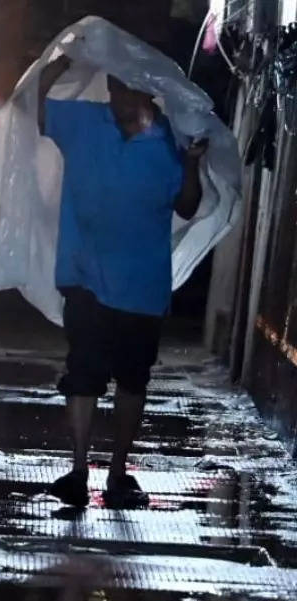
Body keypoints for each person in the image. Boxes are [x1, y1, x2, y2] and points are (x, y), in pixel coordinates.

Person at [36, 53, 205, 509]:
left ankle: (116, 473)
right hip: (85, 276)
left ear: (149, 91)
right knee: (84, 374)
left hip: (141, 287)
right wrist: (60, 62)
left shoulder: (169, 141)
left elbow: (187, 205)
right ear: (108, 87)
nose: (121, 98)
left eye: (130, 89)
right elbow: (41, 110)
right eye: (115, 87)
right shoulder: (86, 123)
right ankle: (76, 468)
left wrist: (190, 165)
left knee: (132, 379)